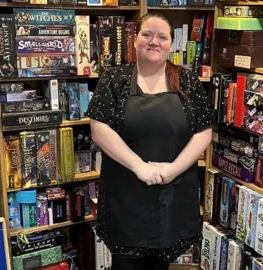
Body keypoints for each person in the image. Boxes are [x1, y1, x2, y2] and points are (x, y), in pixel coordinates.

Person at [85, 12, 214, 270]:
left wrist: (172, 169)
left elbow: (204, 132)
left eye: (162, 37)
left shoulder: (187, 81)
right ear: (135, 40)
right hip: (126, 197)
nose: (154, 41)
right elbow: (99, 129)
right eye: (147, 34)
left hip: (172, 193)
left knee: (160, 266)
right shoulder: (114, 79)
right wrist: (139, 166)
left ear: (170, 44)